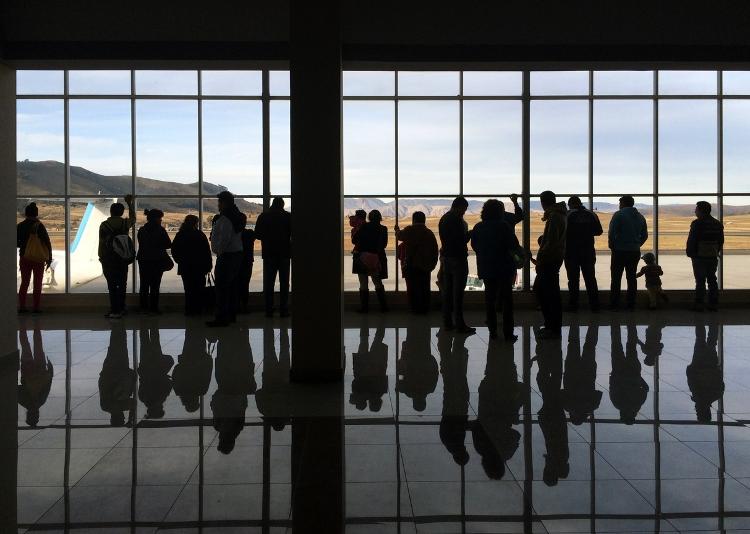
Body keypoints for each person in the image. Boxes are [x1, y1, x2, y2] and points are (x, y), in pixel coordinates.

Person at [471, 340, 523, 479]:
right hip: (488, 398)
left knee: (508, 360)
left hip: (505, 400)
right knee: (493, 361)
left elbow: (516, 435)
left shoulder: (507, 451)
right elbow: (477, 427)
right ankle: (495, 334)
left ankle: (505, 335)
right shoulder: (481, 448)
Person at [471, 199, 520, 342]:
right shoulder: (504, 226)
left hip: (487, 268)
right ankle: (508, 333)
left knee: (490, 300)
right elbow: (513, 245)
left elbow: (475, 246)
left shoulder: (478, 227)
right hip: (504, 268)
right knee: (507, 301)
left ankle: (493, 332)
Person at [211, 326, 256, 454]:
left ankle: (238, 326)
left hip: (238, 380)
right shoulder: (219, 425)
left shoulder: (238, 425)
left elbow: (242, 403)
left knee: (242, 345)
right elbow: (215, 403)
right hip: (225, 381)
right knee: (227, 345)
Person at [534, 329, 569, 486]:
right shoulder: (557, 456)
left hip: (555, 416)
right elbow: (553, 436)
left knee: (551, 378)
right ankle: (545, 346)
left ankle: (549, 347)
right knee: (545, 379)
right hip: (552, 417)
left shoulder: (561, 458)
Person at [207, 191, 247, 327]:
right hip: (237, 255)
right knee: (232, 287)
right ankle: (231, 315)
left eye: (219, 202)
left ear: (224, 203)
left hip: (227, 255)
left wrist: (217, 250)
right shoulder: (238, 217)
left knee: (222, 288)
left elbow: (224, 239)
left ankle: (221, 317)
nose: (218, 205)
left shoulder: (225, 219)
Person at [532, 191, 567, 340]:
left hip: (549, 260)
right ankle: (553, 327)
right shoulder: (561, 215)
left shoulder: (553, 217)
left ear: (542, 202)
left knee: (546, 294)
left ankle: (551, 327)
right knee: (550, 294)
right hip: (555, 258)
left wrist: (541, 258)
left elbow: (550, 242)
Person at [438, 196, 475, 334]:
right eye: (464, 209)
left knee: (448, 292)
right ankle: (460, 324)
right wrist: (470, 234)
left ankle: (447, 322)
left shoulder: (444, 219)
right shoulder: (456, 220)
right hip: (458, 259)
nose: (464, 212)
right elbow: (460, 240)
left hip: (447, 258)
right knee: (458, 293)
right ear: (459, 206)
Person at [608, 195, 648, 311]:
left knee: (616, 278)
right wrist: (636, 244)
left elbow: (611, 233)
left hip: (619, 251)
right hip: (634, 251)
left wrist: (613, 246)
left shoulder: (618, 215)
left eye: (620, 203)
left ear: (623, 203)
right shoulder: (640, 217)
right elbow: (645, 235)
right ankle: (631, 304)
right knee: (631, 278)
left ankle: (615, 304)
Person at [394, 211, 439, 314]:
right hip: (426, 266)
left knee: (412, 288)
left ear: (413, 220)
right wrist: (432, 265)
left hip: (412, 265)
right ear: (424, 220)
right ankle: (424, 308)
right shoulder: (429, 233)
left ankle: (414, 309)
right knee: (424, 288)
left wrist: (397, 230)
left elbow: (399, 236)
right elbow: (434, 250)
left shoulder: (410, 230)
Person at [438, 330, 471, 466]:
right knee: (452, 371)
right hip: (452, 406)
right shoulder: (450, 443)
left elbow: (454, 423)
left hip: (455, 406)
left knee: (456, 372)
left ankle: (455, 341)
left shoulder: (454, 442)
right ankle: (449, 341)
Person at [99, 195, 135, 319]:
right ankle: (122, 307)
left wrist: (101, 257)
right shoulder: (125, 223)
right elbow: (133, 218)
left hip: (108, 260)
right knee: (122, 284)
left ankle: (114, 309)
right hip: (122, 259)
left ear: (110, 211)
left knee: (112, 285)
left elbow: (102, 243)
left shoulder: (104, 225)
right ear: (121, 212)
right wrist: (129, 203)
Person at [254, 196, 291, 318]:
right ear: (282, 205)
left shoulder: (264, 216)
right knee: (284, 282)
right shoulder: (288, 216)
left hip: (269, 253)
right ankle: (283, 309)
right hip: (285, 252)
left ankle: (269, 309)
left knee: (269, 282)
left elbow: (258, 235)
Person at [564, 196, 602, 312]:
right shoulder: (591, 214)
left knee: (573, 279)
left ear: (570, 204)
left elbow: (562, 231)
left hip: (571, 252)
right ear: (580, 203)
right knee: (590, 278)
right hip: (588, 251)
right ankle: (594, 305)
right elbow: (599, 231)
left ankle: (574, 305)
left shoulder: (568, 215)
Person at [686, 201, 724, 311]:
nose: (695, 211)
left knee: (700, 280)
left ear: (701, 211)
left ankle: (699, 304)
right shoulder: (717, 224)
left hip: (699, 256)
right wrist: (715, 251)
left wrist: (690, 253)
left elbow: (692, 240)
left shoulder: (697, 223)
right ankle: (713, 304)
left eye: (696, 209)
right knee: (712, 279)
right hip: (712, 256)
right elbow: (721, 241)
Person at [171, 215, 212, 316]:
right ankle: (198, 309)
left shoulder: (180, 234)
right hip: (199, 267)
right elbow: (206, 252)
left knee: (188, 289)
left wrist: (180, 261)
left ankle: (189, 310)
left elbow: (174, 250)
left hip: (185, 266)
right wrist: (208, 265)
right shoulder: (200, 234)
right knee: (199, 289)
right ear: (195, 223)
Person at [562, 323, 602, 425]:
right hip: (571, 372)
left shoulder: (592, 406)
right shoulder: (567, 406)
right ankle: (574, 323)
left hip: (588, 373)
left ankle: (594, 325)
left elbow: (598, 393)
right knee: (573, 344)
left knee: (590, 345)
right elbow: (561, 392)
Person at [609, 322, 648, 425]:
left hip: (633, 371)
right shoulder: (617, 404)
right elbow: (612, 387)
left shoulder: (638, 403)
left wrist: (638, 379)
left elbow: (645, 389)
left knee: (631, 345)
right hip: (619, 370)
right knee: (616, 344)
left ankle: (631, 324)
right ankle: (615, 324)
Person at [17, 202, 53, 314]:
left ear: (26, 213)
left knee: (24, 283)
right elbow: (47, 242)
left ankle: (22, 307)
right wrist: (49, 258)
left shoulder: (20, 226)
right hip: (38, 259)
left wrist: (25, 246)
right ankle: (36, 308)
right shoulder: (39, 226)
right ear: (36, 214)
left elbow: (16, 242)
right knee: (37, 284)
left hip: (25, 257)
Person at [397, 319, 439, 412]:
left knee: (423, 334)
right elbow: (400, 375)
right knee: (412, 334)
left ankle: (422, 320)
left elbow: (435, 372)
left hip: (424, 355)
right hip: (411, 357)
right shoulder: (406, 390)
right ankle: (413, 320)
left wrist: (431, 359)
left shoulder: (430, 388)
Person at [98, 324, 136, 427]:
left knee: (122, 346)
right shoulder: (105, 407)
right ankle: (116, 326)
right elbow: (102, 387)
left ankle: (120, 326)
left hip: (121, 371)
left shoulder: (123, 405)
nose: (124, 416)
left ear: (120, 417)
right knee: (113, 347)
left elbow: (134, 403)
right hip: (108, 371)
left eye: (123, 418)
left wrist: (130, 418)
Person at [352, 209, 389, 313]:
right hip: (376, 258)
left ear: (369, 218)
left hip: (362, 258)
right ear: (380, 218)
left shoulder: (364, 227)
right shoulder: (383, 229)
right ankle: (384, 307)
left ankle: (364, 308)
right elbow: (384, 245)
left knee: (363, 283)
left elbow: (354, 240)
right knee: (378, 283)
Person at [136, 208, 172, 314]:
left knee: (144, 285)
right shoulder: (160, 230)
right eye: (160, 218)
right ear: (156, 219)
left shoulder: (142, 230)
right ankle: (153, 308)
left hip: (143, 260)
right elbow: (168, 244)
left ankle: (143, 307)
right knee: (155, 285)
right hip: (157, 260)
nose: (161, 220)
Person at [17, 323, 53, 427]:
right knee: (25, 344)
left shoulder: (41, 401)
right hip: (27, 371)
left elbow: (48, 384)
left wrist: (50, 370)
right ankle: (22, 326)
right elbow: (15, 388)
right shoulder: (24, 401)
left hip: (41, 369)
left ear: (37, 414)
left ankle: (36, 326)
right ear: (28, 414)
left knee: (38, 344)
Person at [687, 322, 724, 423]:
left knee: (711, 342)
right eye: (698, 413)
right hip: (698, 364)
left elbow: (720, 382)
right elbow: (691, 379)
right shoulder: (697, 395)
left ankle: (713, 321)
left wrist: (716, 370)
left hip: (710, 365)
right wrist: (690, 369)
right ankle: (700, 320)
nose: (696, 411)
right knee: (700, 339)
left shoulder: (717, 395)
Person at [172, 326, 213, 413]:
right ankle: (190, 319)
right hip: (186, 359)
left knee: (200, 335)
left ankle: (199, 318)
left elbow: (207, 372)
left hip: (200, 358)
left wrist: (208, 359)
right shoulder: (179, 390)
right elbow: (175, 373)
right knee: (189, 337)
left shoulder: (202, 390)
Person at [349, 325, 388, 412]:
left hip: (376, 363)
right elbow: (355, 382)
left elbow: (383, 375)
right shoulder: (363, 394)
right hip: (362, 365)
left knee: (377, 339)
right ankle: (364, 320)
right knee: (364, 340)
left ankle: (382, 320)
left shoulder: (382, 391)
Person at [137, 327, 174, 419]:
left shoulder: (161, 397)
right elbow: (142, 383)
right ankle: (144, 324)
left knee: (155, 342)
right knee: (145, 342)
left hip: (158, 367)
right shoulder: (142, 398)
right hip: (145, 367)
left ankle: (153, 324)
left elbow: (168, 384)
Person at [239, 225, 256, 313]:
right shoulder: (249, 233)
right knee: (245, 284)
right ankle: (244, 306)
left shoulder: (235, 234)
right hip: (247, 261)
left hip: (237, 261)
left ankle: (236, 305)